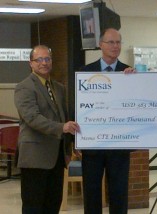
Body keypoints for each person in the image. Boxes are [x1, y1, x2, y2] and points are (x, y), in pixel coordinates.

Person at [14, 45, 80, 214]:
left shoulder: (58, 87)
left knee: (53, 205)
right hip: (35, 158)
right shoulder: (24, 87)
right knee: (33, 206)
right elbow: (33, 118)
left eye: (47, 59)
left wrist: (69, 147)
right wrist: (62, 127)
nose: (44, 63)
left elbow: (63, 117)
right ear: (31, 63)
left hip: (56, 158)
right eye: (39, 60)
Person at [80, 28, 135, 214]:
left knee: (119, 194)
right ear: (100, 45)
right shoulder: (86, 72)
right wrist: (76, 141)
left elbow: (136, 106)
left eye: (118, 42)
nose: (115, 46)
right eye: (111, 42)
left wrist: (135, 84)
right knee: (92, 194)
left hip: (119, 146)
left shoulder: (129, 73)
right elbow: (78, 107)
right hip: (93, 146)